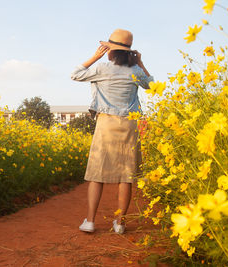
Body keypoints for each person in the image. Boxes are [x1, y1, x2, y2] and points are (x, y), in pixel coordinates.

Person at [70, 29, 153, 234]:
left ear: (110, 50)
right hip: (129, 125)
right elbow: (151, 86)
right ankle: (120, 223)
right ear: (129, 52)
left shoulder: (102, 68)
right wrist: (140, 63)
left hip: (106, 124)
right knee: (126, 175)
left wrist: (94, 57)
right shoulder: (135, 70)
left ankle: (90, 221)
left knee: (97, 174)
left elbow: (75, 74)